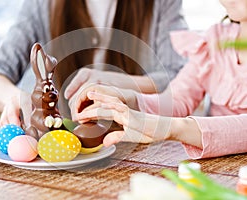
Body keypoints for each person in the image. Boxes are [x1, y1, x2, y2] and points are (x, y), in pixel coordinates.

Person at [72, 0, 247, 159]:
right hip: (217, 168)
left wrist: (176, 128)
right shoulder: (215, 40)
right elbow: (177, 100)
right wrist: (127, 99)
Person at [0, 0, 187, 126]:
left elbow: (183, 79)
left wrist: (117, 82)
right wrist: (16, 99)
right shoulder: (42, 4)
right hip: (63, 153)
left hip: (135, 146)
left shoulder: (161, 4)